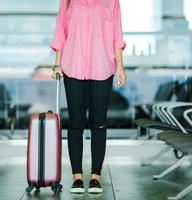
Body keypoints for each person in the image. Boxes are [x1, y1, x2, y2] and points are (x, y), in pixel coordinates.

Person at [50, 0, 127, 194]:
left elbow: (117, 33)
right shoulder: (67, 1)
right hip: (72, 64)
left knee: (98, 122)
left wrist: (120, 65)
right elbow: (61, 31)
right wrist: (57, 64)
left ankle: (95, 177)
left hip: (102, 65)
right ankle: (77, 177)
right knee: (76, 122)